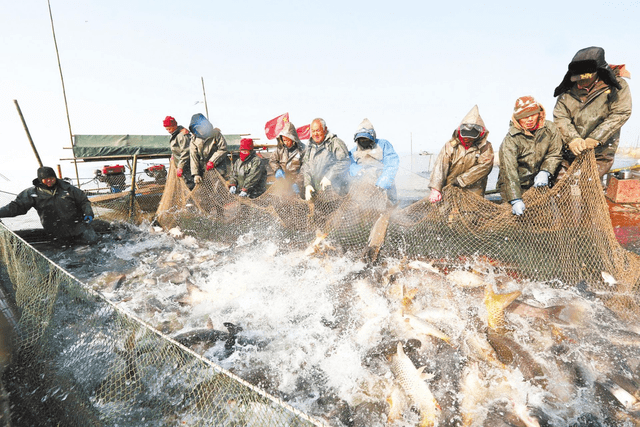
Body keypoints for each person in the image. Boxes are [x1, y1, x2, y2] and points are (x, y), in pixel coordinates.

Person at [553, 46, 632, 180]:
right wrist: (572, 139)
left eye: (586, 78)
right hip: (571, 149)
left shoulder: (617, 86)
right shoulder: (566, 91)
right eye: (577, 78)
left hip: (601, 151)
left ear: (598, 72)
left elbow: (621, 112)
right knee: (562, 183)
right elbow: (561, 117)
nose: (581, 81)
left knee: (587, 182)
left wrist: (596, 138)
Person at [497, 96, 563, 216]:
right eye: (525, 116)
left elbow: (555, 153)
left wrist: (545, 171)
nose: (530, 119)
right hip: (516, 184)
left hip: (539, 184)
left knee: (542, 219)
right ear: (518, 118)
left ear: (539, 113)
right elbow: (509, 171)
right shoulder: (510, 140)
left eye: (533, 114)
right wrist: (515, 199)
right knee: (516, 220)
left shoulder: (550, 129)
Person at [0, 167, 98, 244]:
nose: (49, 181)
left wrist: (88, 213)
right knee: (66, 257)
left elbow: (83, 201)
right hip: (56, 232)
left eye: (51, 178)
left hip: (79, 227)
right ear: (40, 180)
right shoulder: (33, 193)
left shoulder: (68, 189)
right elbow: (17, 207)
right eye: (45, 179)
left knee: (94, 244)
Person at [428, 105, 494, 203]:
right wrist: (435, 189)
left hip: (474, 194)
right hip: (449, 192)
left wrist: (461, 180)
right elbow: (440, 167)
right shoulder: (450, 146)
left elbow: (484, 167)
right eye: (465, 136)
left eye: (471, 137)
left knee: (472, 216)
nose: (467, 139)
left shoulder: (485, 147)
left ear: (479, 134)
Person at [349, 118, 400, 202]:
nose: (364, 141)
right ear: (357, 140)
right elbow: (349, 164)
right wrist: (358, 170)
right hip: (363, 188)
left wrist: (382, 184)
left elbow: (392, 164)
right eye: (361, 140)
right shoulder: (353, 151)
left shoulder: (383, 145)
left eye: (366, 139)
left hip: (383, 188)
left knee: (389, 210)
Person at [301, 118, 350, 200]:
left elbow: (344, 162)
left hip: (335, 195)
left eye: (318, 130)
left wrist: (329, 177)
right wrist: (307, 184)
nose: (315, 134)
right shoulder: (309, 147)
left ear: (325, 130)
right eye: (313, 131)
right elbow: (306, 167)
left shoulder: (335, 143)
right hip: (317, 196)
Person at [188, 113, 231, 185]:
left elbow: (223, 149)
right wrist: (196, 174)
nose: (200, 130)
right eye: (197, 128)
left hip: (218, 169)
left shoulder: (216, 135)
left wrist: (212, 161)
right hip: (203, 171)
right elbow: (193, 157)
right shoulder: (194, 139)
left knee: (219, 191)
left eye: (201, 127)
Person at [269, 121, 306, 196]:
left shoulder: (303, 150)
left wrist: (297, 183)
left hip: (298, 185)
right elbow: (272, 161)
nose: (285, 143)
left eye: (288, 140)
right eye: (284, 140)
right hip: (283, 184)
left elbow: (305, 168)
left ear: (293, 139)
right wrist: (277, 169)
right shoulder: (280, 149)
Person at [163, 116, 195, 190]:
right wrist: (173, 155)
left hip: (188, 166)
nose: (168, 131)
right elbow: (177, 149)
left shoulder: (182, 135)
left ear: (174, 125)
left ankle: (193, 201)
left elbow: (186, 152)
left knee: (190, 186)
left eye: (169, 128)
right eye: (167, 129)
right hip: (182, 166)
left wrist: (180, 167)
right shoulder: (174, 135)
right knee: (185, 186)